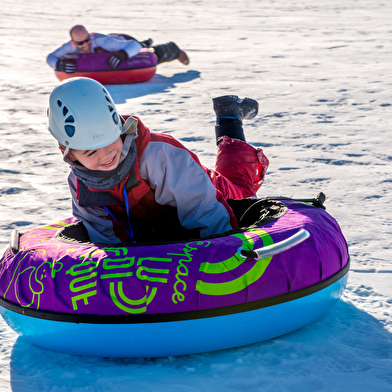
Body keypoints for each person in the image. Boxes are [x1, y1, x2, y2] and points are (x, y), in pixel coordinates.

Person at [47, 77, 269, 244]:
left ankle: (229, 117)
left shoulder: (159, 155)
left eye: (109, 143)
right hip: (160, 231)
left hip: (205, 189)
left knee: (241, 188)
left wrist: (224, 254)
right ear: (68, 153)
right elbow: (103, 236)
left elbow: (205, 210)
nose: (105, 156)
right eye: (90, 153)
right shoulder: (80, 183)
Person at [46, 25, 189, 73]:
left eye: (87, 40)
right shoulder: (69, 46)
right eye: (80, 43)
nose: (85, 45)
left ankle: (174, 51)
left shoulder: (102, 41)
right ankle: (146, 41)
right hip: (115, 44)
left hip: (122, 41)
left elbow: (134, 46)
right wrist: (59, 64)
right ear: (73, 42)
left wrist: (123, 54)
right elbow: (50, 57)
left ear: (90, 36)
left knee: (145, 50)